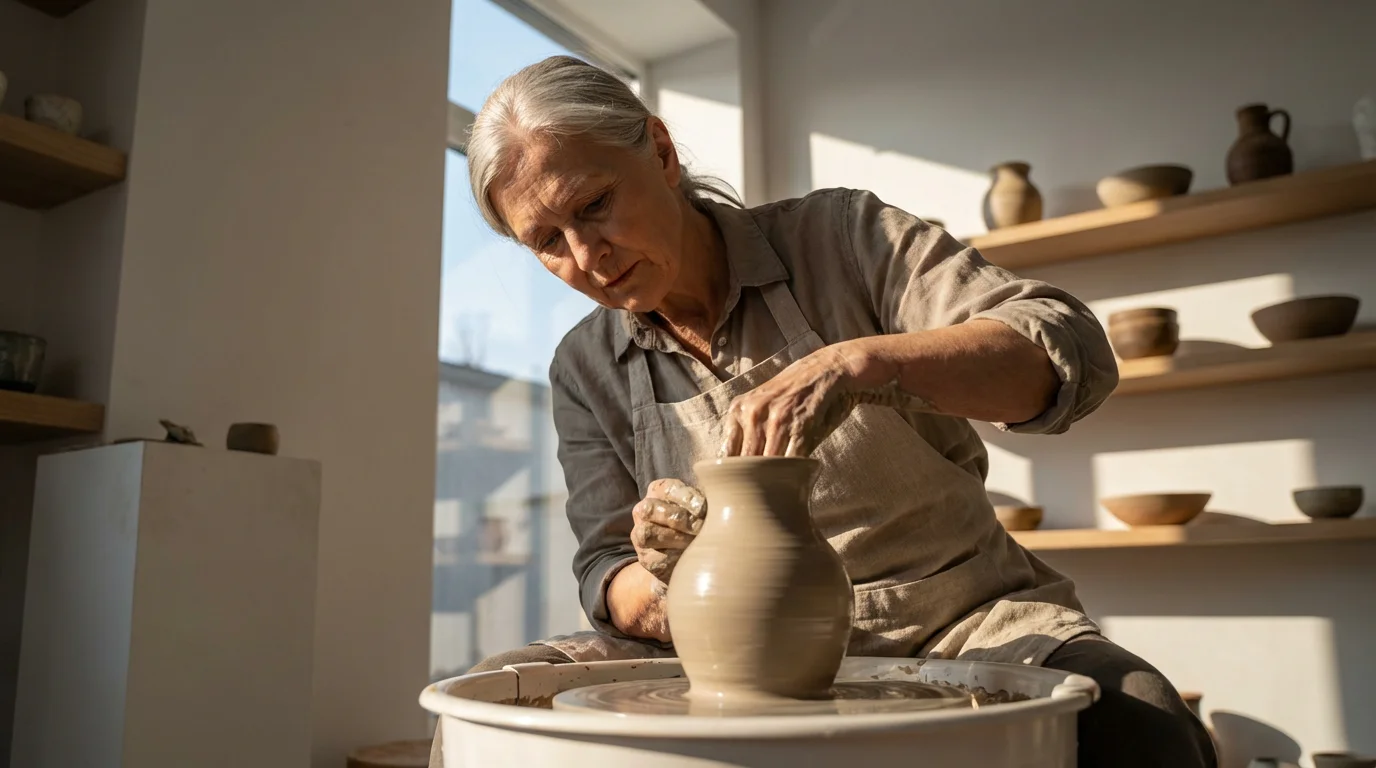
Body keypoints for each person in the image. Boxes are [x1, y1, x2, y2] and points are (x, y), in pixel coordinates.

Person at [454, 54, 1215, 767]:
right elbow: (603, 569)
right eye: (547, 242)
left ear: (659, 151)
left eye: (594, 205)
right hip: (722, 650)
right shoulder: (586, 365)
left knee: (1143, 720)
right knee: (484, 703)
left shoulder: (843, 238)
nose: (587, 257)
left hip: (955, 622)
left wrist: (863, 363)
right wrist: (664, 582)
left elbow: (1062, 348)